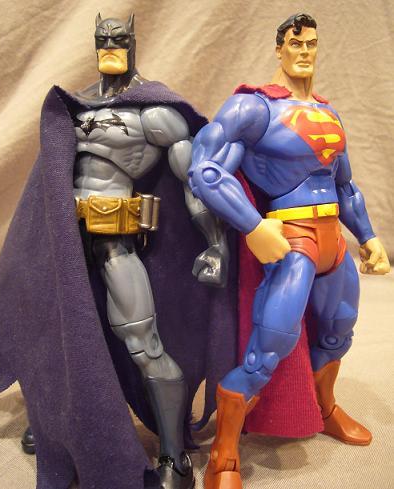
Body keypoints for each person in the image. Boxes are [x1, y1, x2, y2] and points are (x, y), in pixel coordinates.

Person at [0, 13, 230, 489]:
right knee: (51, 335)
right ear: (95, 44)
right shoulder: (73, 107)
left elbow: (195, 181)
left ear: (133, 42)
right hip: (61, 244)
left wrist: (216, 243)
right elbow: (45, 180)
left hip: (115, 243)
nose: (111, 44)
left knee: (144, 341)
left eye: (120, 38)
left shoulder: (154, 114)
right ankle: (57, 425)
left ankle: (173, 454)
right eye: (104, 38)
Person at [189, 13, 390, 489]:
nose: (304, 51)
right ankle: (224, 453)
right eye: (295, 43)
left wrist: (368, 236)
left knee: (339, 332)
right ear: (279, 49)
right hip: (293, 241)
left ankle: (325, 408)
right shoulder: (253, 107)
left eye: (311, 44)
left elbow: (346, 186)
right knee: (266, 351)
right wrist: (254, 225)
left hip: (333, 243)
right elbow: (206, 170)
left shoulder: (328, 114)